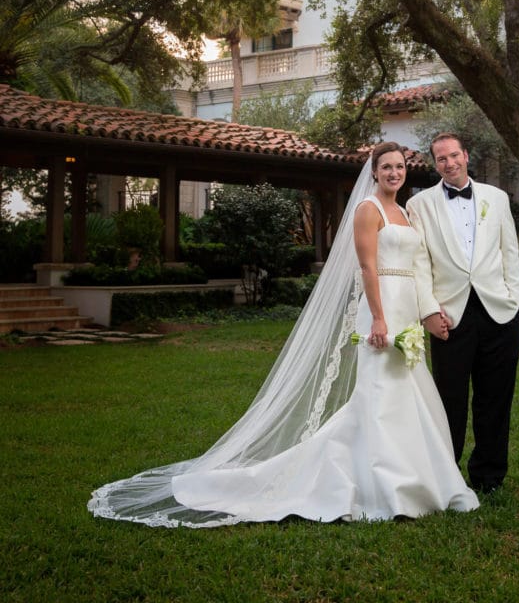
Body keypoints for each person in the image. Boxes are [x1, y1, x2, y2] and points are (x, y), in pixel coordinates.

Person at [88, 142, 478, 526]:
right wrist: (378, 318)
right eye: (386, 167)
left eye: (399, 166)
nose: (394, 173)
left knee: (409, 394)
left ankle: (418, 481)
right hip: (382, 310)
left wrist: (424, 311)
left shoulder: (405, 212)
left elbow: (417, 265)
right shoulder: (368, 209)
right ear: (374, 172)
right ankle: (385, 488)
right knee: (380, 396)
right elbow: (368, 268)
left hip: (407, 309)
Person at [407, 132, 519, 495]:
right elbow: (419, 263)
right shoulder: (420, 205)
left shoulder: (497, 197)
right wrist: (428, 310)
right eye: (441, 159)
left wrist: (516, 300)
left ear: (466, 156)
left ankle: (489, 476)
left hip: (499, 311)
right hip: (449, 315)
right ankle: (446, 473)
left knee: (495, 397)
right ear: (435, 163)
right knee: (449, 399)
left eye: (454, 156)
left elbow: (510, 253)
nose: (449, 163)